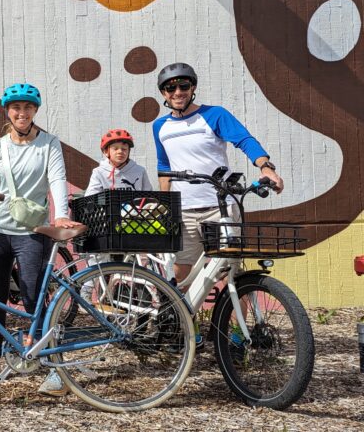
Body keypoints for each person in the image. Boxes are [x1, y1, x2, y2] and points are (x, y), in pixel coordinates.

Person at [0, 83, 81, 397]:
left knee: (34, 297)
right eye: (16, 108)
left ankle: (54, 367)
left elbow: (57, 179)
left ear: (35, 111)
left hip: (32, 232)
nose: (21, 113)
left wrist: (60, 214)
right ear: (8, 111)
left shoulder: (48, 144)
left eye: (27, 108)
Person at [152, 63, 283, 283]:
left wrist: (266, 168)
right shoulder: (160, 126)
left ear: (193, 88)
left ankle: (233, 317)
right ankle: (182, 317)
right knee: (182, 273)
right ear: (163, 93)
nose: (177, 93)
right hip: (184, 211)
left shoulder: (214, 114)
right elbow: (164, 166)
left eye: (183, 86)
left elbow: (244, 139)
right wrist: (166, 205)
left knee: (229, 269)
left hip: (220, 207)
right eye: (170, 89)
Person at [84, 129, 153, 195]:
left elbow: (149, 196)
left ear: (129, 151)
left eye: (124, 149)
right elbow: (91, 197)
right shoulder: (98, 172)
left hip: (135, 207)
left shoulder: (140, 171)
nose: (120, 152)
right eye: (115, 149)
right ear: (106, 152)